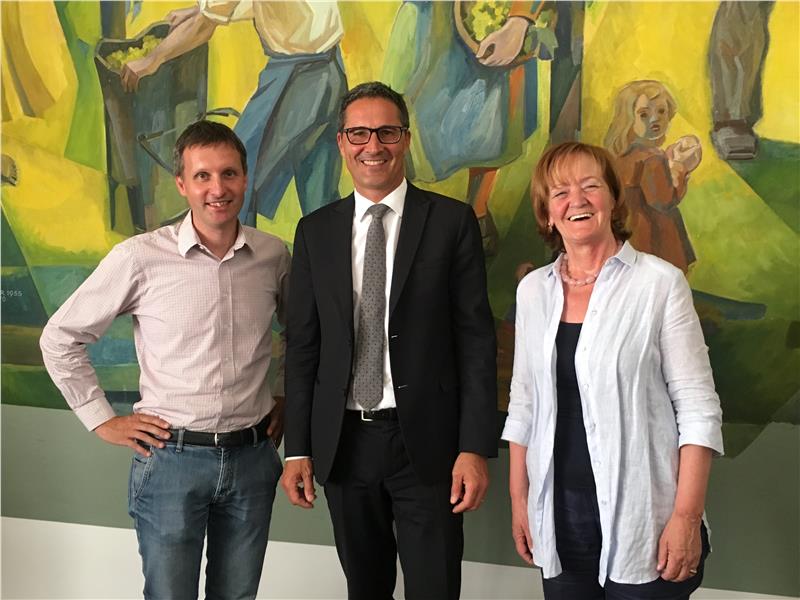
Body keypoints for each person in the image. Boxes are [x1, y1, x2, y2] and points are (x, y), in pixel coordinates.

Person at [39, 121, 290, 600]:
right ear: (181, 183)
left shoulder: (273, 255)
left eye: (229, 173)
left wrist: (286, 393)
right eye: (202, 176)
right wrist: (100, 419)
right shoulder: (139, 257)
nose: (218, 189)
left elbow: (303, 333)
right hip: (171, 461)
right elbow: (60, 338)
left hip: (253, 459)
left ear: (245, 177)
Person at [280, 81, 498, 599]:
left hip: (429, 446)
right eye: (359, 133)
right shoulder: (315, 232)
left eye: (387, 132)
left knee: (435, 590)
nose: (373, 146)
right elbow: (303, 347)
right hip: (344, 445)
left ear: (406, 138)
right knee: (365, 590)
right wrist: (296, 450)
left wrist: (474, 447)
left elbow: (475, 341)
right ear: (341, 142)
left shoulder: (451, 223)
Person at [502, 142, 723, 598]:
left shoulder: (660, 284)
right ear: (547, 214)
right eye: (560, 192)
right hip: (558, 519)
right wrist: (520, 501)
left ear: (613, 199)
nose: (577, 200)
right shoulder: (533, 292)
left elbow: (699, 409)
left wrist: (685, 518)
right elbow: (523, 405)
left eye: (590, 186)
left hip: (645, 520)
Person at [121, 0, 347, 225]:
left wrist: (151, 60)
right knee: (318, 189)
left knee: (235, 172)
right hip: (331, 67)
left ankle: (236, 247)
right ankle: (329, 246)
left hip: (297, 75)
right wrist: (200, 11)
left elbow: (203, 27)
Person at [604, 80, 702, 274]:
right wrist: (681, 168)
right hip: (655, 237)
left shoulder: (623, 154)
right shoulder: (651, 159)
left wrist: (668, 159)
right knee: (663, 278)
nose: (654, 119)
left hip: (631, 233)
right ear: (628, 119)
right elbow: (664, 201)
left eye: (661, 111)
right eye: (644, 114)